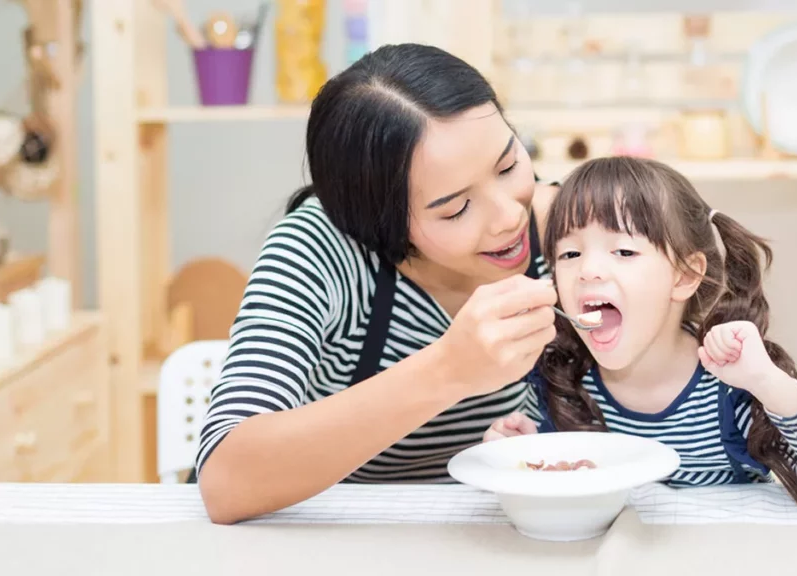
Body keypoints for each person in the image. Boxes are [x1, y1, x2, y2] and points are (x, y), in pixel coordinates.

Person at [195, 43, 562, 524]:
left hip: (496, 532)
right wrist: (449, 370)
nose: (510, 215)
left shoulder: (562, 229)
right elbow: (226, 480)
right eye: (455, 208)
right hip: (334, 537)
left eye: (509, 165)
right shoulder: (321, 250)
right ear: (376, 220)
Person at [484, 157, 797, 513]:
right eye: (569, 254)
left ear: (684, 275)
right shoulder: (560, 382)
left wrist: (768, 383)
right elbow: (558, 501)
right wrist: (519, 453)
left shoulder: (730, 390)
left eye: (623, 251)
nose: (588, 270)